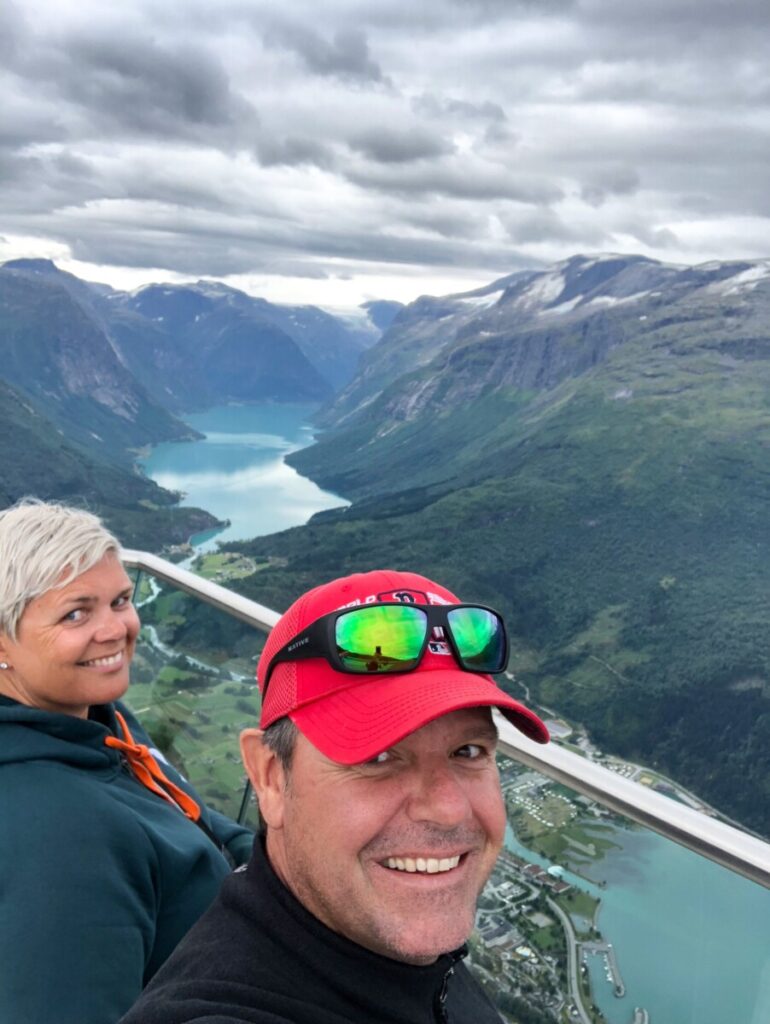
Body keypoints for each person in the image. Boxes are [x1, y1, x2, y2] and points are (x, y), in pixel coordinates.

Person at [120, 568, 550, 1024]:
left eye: (468, 751)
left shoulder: (388, 946)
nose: (448, 809)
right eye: (379, 758)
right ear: (269, 777)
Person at [0, 499, 254, 1024]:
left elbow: (190, 814)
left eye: (120, 600)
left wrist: (285, 859)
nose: (115, 629)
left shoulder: (98, 719)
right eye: (76, 613)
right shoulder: (60, 839)